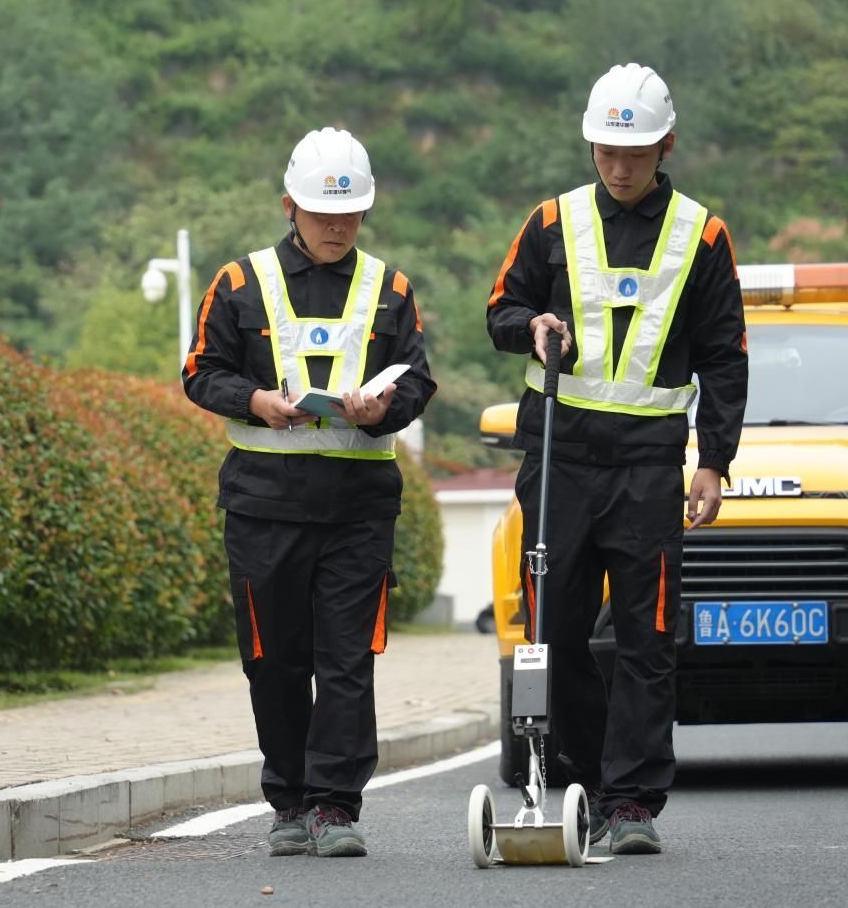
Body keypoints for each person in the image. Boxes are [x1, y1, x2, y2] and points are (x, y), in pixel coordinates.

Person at [485, 63, 747, 855]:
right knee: (553, 631)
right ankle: (595, 778)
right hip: (559, 458)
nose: (620, 167)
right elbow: (499, 310)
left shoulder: (702, 234)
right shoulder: (549, 223)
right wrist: (530, 324)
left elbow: (725, 359)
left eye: (634, 153)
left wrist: (714, 462)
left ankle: (632, 805)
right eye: (606, 151)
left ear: (666, 145)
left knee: (647, 636)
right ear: (590, 144)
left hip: (646, 465)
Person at [182, 127, 435, 858]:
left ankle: (336, 807)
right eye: (325, 214)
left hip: (359, 506)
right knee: (275, 659)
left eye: (351, 213)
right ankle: (288, 799)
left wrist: (383, 409)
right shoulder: (238, 283)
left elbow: (417, 379)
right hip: (264, 505)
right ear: (289, 205)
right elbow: (201, 371)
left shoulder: (391, 288)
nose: (337, 227)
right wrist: (255, 400)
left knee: (347, 658)